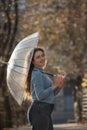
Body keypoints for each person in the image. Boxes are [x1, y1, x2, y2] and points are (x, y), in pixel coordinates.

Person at [26, 48, 65, 130]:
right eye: (38, 57)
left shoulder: (42, 73)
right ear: (33, 61)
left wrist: (59, 85)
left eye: (42, 55)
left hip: (45, 111)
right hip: (39, 111)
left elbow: (51, 94)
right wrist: (54, 85)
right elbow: (40, 95)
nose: (42, 58)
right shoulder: (36, 74)